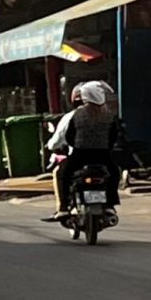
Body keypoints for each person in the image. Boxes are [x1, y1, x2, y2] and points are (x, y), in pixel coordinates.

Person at [46, 83, 120, 220]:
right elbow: (113, 136)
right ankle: (110, 205)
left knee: (63, 173)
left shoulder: (76, 115)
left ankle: (63, 208)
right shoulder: (109, 116)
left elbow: (69, 136)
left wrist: (77, 145)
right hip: (103, 155)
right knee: (114, 173)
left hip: (80, 155)